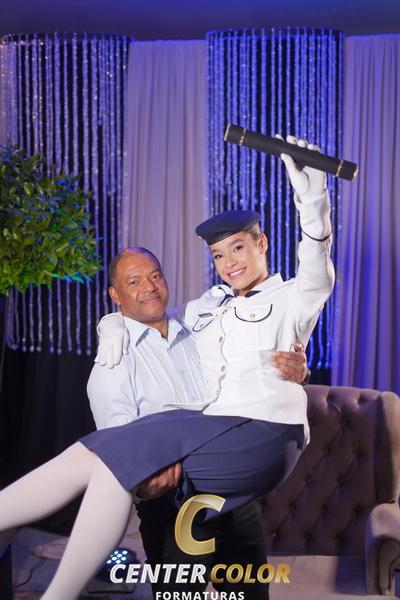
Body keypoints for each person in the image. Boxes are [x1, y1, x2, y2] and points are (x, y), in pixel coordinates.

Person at [0, 137, 334, 600]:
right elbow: (122, 434)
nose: (229, 264)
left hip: (248, 445)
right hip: (180, 492)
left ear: (262, 244)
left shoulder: (275, 300)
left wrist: (313, 196)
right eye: (219, 256)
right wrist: (111, 325)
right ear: (116, 296)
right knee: (113, 461)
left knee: (246, 590)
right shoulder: (170, 327)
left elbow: (315, 265)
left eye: (238, 248)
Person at [88, 246, 309, 600]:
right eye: (134, 281)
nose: (149, 287)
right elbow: (119, 447)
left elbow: (255, 368)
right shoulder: (113, 360)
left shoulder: (198, 328)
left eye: (155, 275)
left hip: (234, 499)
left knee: (252, 595)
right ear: (115, 295)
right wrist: (145, 485)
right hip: (174, 510)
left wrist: (297, 370)